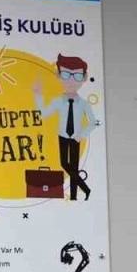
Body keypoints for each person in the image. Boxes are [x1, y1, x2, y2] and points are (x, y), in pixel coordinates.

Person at [33, 55, 96, 201]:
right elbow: (43, 113)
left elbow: (93, 122)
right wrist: (38, 95)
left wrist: (82, 134)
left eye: (77, 76)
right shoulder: (58, 101)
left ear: (84, 78)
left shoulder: (84, 103)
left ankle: (74, 196)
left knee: (74, 167)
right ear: (58, 75)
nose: (71, 80)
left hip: (76, 137)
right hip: (62, 135)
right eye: (66, 74)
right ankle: (86, 189)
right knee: (64, 163)